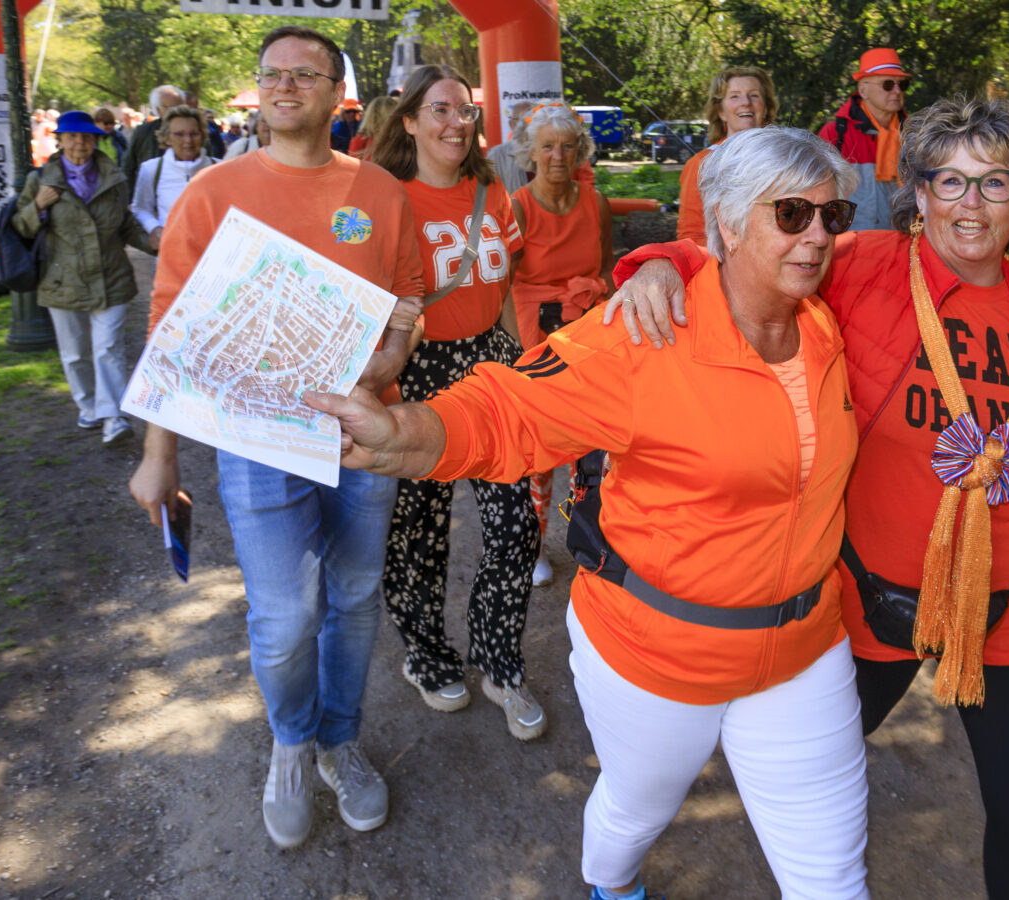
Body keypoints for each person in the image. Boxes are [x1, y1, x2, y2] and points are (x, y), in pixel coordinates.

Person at [308, 125, 870, 900]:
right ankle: (613, 887)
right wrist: (403, 434)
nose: (817, 238)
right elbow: (511, 409)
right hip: (659, 657)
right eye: (791, 214)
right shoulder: (642, 333)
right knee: (635, 818)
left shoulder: (825, 322)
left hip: (805, 652)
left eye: (831, 216)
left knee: (836, 882)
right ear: (731, 224)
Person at [609, 97, 1009, 900]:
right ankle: (626, 838)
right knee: (792, 770)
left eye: (994, 183)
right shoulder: (862, 261)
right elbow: (755, 256)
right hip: (869, 598)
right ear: (920, 191)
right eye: (950, 181)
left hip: (1007, 602)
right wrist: (662, 260)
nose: (971, 205)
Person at [127, 24, 425, 850]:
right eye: (272, 75)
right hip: (257, 441)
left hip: (364, 437)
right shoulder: (214, 194)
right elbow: (170, 329)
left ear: (339, 95)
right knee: (288, 614)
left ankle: (339, 739)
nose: (285, 86)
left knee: (356, 601)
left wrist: (390, 356)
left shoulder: (382, 194)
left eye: (306, 74)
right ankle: (291, 744)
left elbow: (407, 299)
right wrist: (159, 456)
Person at [366, 64, 546, 741]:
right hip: (416, 371)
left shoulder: (491, 189)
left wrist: (516, 360)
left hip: (491, 364)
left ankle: (500, 665)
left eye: (465, 111)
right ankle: (428, 654)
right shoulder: (385, 196)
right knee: (419, 534)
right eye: (440, 110)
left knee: (515, 525)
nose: (456, 122)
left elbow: (505, 285)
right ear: (409, 121)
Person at [508, 102, 617, 588]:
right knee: (539, 445)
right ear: (530, 152)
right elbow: (501, 285)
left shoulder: (597, 202)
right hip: (536, 338)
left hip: (589, 334)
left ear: (581, 151)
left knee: (590, 444)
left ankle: (587, 535)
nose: (557, 155)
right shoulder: (517, 205)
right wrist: (517, 352)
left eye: (567, 146)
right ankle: (534, 545)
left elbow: (609, 268)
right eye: (547, 146)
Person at [11, 110, 154, 445]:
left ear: (95, 140)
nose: (80, 143)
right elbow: (20, 227)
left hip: (111, 275)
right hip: (64, 281)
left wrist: (157, 243)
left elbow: (125, 225)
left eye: (87, 137)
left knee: (108, 348)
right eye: (72, 136)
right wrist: (39, 206)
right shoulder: (40, 180)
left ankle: (113, 417)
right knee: (75, 353)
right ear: (58, 140)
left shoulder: (114, 177)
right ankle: (89, 407)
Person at [676, 66, 776, 243]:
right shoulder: (701, 164)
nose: (745, 102)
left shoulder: (785, 159)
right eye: (734, 96)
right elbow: (691, 237)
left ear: (766, 108)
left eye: (754, 95)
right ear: (721, 111)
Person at [816, 47, 910, 231]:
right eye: (888, 84)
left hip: (899, 244)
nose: (897, 91)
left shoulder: (914, 135)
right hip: (848, 245)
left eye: (902, 84)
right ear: (863, 90)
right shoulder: (836, 134)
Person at [130, 105, 217, 252]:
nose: (187, 140)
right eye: (179, 134)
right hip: (171, 255)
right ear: (168, 138)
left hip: (211, 257)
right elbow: (140, 208)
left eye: (194, 134)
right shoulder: (152, 169)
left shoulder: (219, 168)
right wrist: (154, 228)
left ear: (202, 136)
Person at [122, 84, 184, 185]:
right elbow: (128, 167)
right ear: (158, 110)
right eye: (170, 108)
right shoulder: (143, 132)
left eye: (180, 107)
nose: (177, 112)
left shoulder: (195, 132)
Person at [485, 101, 535, 191]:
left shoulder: (547, 152)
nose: (527, 125)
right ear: (511, 125)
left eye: (531, 120)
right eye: (521, 121)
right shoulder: (497, 156)